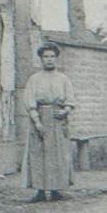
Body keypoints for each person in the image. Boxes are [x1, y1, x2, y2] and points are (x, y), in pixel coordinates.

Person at [21, 41, 74, 201]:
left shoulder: (63, 79)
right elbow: (29, 101)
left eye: (52, 56)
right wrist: (37, 121)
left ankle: (56, 189)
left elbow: (70, 100)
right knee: (39, 154)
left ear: (56, 58)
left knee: (57, 155)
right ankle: (40, 191)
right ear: (41, 59)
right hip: (40, 117)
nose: (49, 60)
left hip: (58, 120)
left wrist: (65, 111)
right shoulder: (34, 79)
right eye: (46, 57)